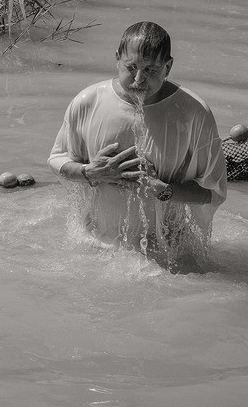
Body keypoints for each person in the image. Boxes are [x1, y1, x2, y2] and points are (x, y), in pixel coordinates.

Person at [47, 21, 227, 267]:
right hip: (94, 245)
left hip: (166, 255)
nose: (139, 79)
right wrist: (91, 172)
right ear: (116, 59)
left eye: (151, 70)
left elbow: (214, 193)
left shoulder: (193, 113)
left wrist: (164, 190)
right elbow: (58, 161)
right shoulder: (87, 102)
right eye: (131, 67)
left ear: (168, 67)